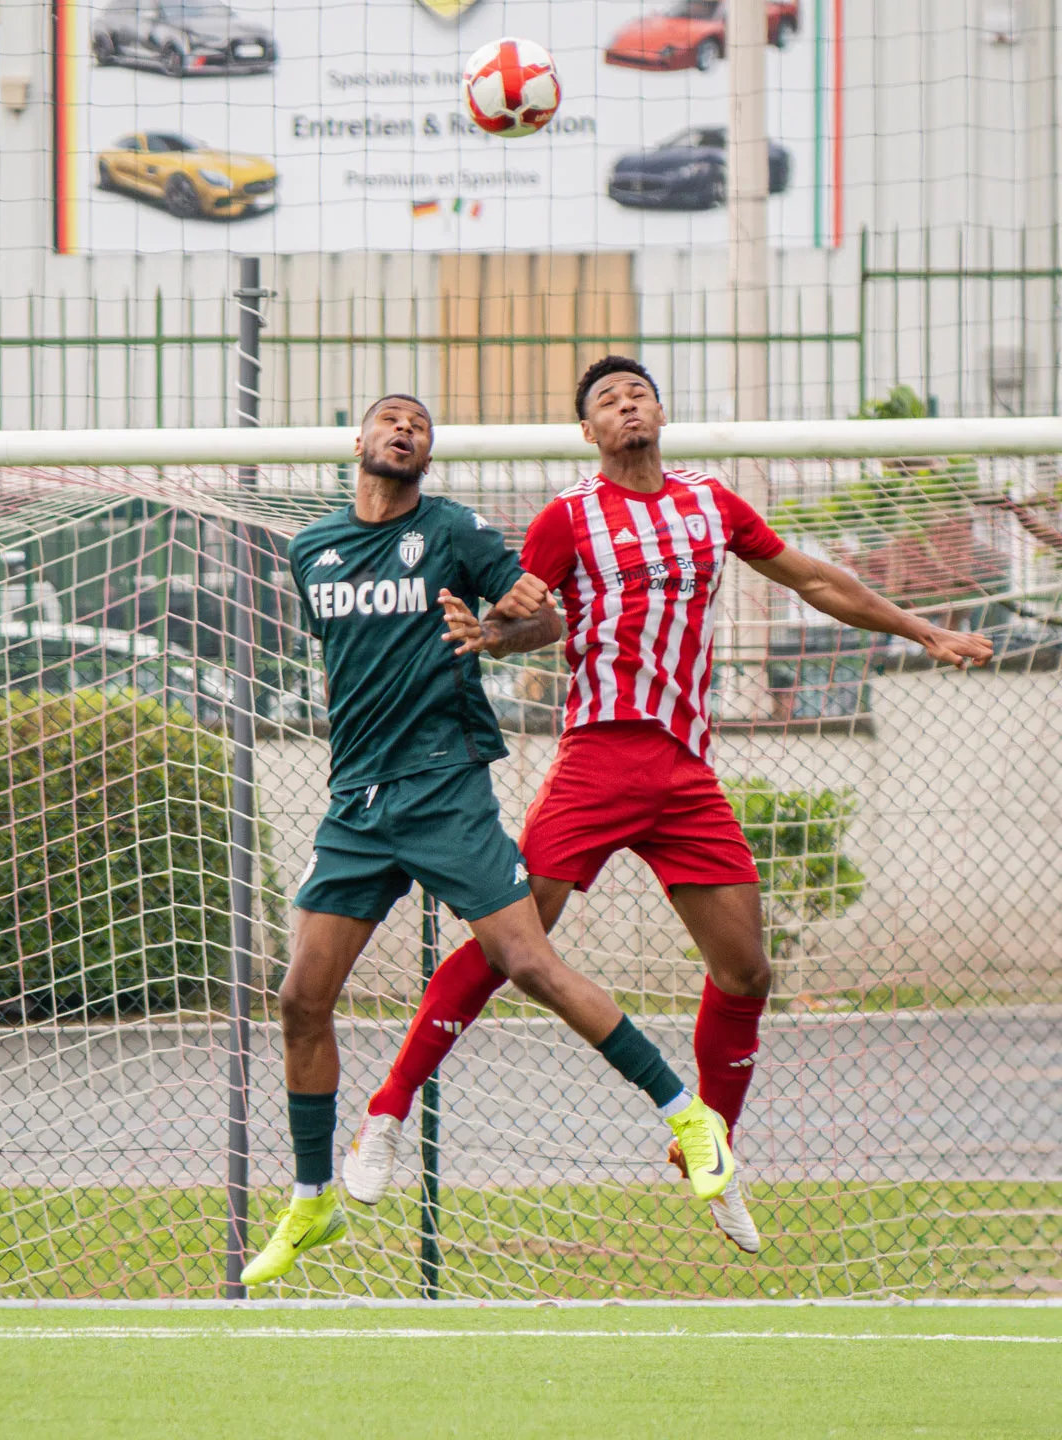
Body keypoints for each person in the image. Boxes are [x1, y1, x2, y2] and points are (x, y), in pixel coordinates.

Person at [343, 359, 994, 1254]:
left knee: (748, 973)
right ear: (588, 433)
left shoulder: (711, 503)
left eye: (636, 393)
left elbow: (813, 579)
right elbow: (533, 617)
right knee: (512, 946)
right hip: (596, 761)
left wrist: (926, 631)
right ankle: (386, 1112)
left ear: (661, 410)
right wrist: (491, 633)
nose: (625, 405)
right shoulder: (568, 517)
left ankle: (708, 1151)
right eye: (606, 401)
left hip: (686, 772)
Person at [241, 391, 736, 1287]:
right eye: (390, 419)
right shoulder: (310, 550)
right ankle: (312, 1200)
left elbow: (545, 618)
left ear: (428, 453)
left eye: (419, 425)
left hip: (446, 787)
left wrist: (501, 629)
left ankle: (685, 1113)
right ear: (358, 440)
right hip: (355, 802)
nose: (404, 430)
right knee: (299, 1000)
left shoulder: (455, 531)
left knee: (529, 963)